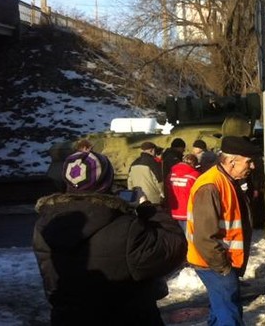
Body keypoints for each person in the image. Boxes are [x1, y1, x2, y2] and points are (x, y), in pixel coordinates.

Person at [33, 138, 186, 325]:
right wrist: (147, 207)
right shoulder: (126, 228)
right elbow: (174, 247)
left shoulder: (44, 226)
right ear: (106, 182)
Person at [186, 135, 259, 325]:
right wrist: (224, 268)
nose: (252, 167)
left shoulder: (226, 180)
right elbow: (204, 238)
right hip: (214, 264)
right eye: (248, 162)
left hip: (219, 262)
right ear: (232, 161)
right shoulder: (211, 186)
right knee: (229, 314)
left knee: (221, 311)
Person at [166, 152, 200, 232]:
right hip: (188, 213)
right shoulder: (195, 176)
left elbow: (166, 192)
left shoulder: (170, 175)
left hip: (173, 212)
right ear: (195, 164)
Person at [128, 141, 165, 205]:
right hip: (153, 200)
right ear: (152, 150)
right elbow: (159, 181)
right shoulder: (154, 163)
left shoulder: (133, 164)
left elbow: (130, 182)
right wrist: (162, 194)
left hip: (138, 199)